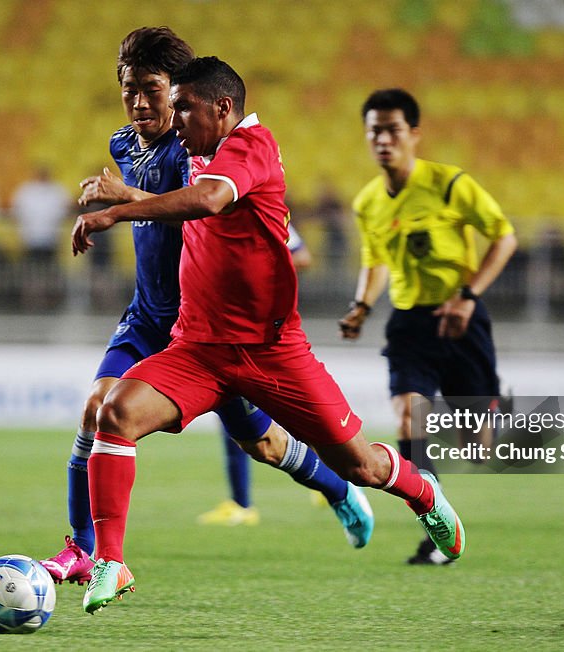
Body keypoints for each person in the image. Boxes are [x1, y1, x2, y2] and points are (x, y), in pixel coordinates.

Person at [71, 56, 465, 614]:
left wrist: (119, 214)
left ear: (222, 108)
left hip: (270, 352)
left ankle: (422, 491)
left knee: (361, 467)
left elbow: (209, 199)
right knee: (114, 413)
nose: (173, 117)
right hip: (198, 348)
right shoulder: (195, 152)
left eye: (183, 106)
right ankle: (110, 561)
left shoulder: (251, 145)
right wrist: (130, 196)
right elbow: (193, 200)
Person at [41, 29, 372, 586]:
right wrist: (125, 198)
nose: (141, 104)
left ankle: (340, 489)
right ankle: (83, 548)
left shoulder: (204, 149)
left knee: (264, 444)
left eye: (154, 90)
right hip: (150, 318)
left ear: (180, 95)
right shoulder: (124, 144)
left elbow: (220, 209)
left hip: (213, 332)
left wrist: (124, 200)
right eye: (130, 90)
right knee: (98, 407)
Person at [338, 88, 516, 565]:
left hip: (461, 320)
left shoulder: (450, 184)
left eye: (392, 129)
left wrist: (469, 295)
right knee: (407, 418)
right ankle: (434, 521)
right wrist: (361, 305)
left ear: (414, 134)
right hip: (410, 325)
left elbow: (504, 237)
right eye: (374, 130)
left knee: (477, 449)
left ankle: (488, 411)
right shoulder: (368, 202)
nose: (383, 139)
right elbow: (375, 261)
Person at [197, 221, 313, 527]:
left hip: (267, 335)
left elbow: (303, 257)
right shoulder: (223, 220)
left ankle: (336, 481)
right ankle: (241, 502)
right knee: (235, 419)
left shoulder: (271, 218)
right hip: (236, 334)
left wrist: (261, 267)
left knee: (294, 414)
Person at [10, 166, 71, 310]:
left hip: (50, 240)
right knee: (32, 273)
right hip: (31, 239)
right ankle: (31, 302)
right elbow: (16, 212)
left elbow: (66, 210)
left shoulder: (57, 191)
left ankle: (48, 302)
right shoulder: (27, 191)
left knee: (48, 273)